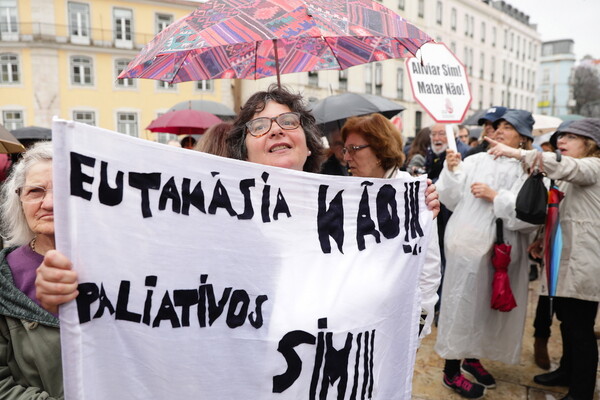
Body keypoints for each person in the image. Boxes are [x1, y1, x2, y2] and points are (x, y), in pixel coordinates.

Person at [487, 118, 600, 400]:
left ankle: (581, 391)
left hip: (584, 260)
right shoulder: (572, 172)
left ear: (590, 144)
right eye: (561, 136)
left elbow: (564, 165)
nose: (562, 140)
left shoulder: (593, 166)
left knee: (580, 327)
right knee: (567, 320)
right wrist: (541, 237)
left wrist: (515, 152)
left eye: (572, 137)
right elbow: (561, 210)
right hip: (564, 256)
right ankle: (567, 370)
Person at [434, 110, 539, 399]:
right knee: (461, 307)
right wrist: (453, 171)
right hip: (467, 247)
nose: (500, 130)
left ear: (524, 137)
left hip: (503, 253)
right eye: (499, 126)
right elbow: (451, 198)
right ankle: (451, 371)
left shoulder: (528, 170)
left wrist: (497, 197)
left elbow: (530, 217)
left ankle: (473, 357)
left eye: (509, 127)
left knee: (486, 309)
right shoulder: (475, 160)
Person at [341, 113, 441, 340]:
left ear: (379, 150)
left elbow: (429, 266)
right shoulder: (347, 191)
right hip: (356, 317)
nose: (347, 157)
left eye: (354, 149)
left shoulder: (414, 194)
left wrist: (418, 321)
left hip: (399, 317)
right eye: (345, 150)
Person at [0, 142, 63, 399]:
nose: (48, 203)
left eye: (62, 190)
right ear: (20, 200)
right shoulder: (5, 275)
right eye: (35, 191)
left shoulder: (119, 268)